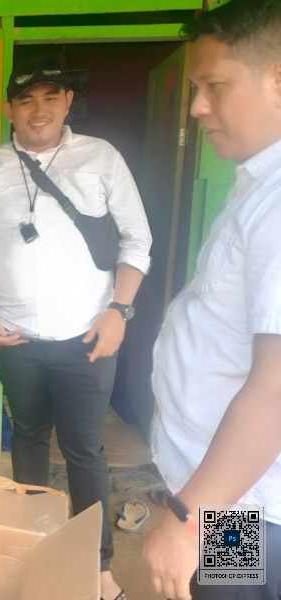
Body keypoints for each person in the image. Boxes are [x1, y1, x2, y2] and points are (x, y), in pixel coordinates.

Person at [0, 63, 152, 600]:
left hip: (87, 339)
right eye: (26, 100)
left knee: (85, 451)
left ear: (66, 102)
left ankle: (97, 567)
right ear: (8, 110)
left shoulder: (101, 157)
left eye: (49, 97)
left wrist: (119, 311)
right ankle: (33, 546)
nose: (38, 110)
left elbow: (137, 240)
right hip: (18, 341)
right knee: (30, 438)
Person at [144, 1, 281, 599]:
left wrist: (189, 517)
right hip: (231, 493)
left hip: (241, 508)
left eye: (215, 86)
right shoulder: (258, 186)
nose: (197, 106)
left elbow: (276, 388)